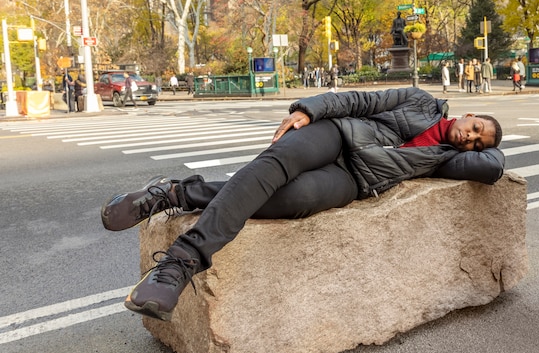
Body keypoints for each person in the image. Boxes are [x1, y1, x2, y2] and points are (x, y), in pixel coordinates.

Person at [101, 87, 504, 322]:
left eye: (477, 142)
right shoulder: (420, 101)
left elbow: (492, 167)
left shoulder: (448, 159)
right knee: (279, 161)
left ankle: (176, 194)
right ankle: (182, 260)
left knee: (295, 198)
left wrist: (488, 147)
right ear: (466, 114)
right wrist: (308, 110)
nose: (470, 139)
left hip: (353, 180)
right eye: (475, 128)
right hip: (338, 134)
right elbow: (359, 101)